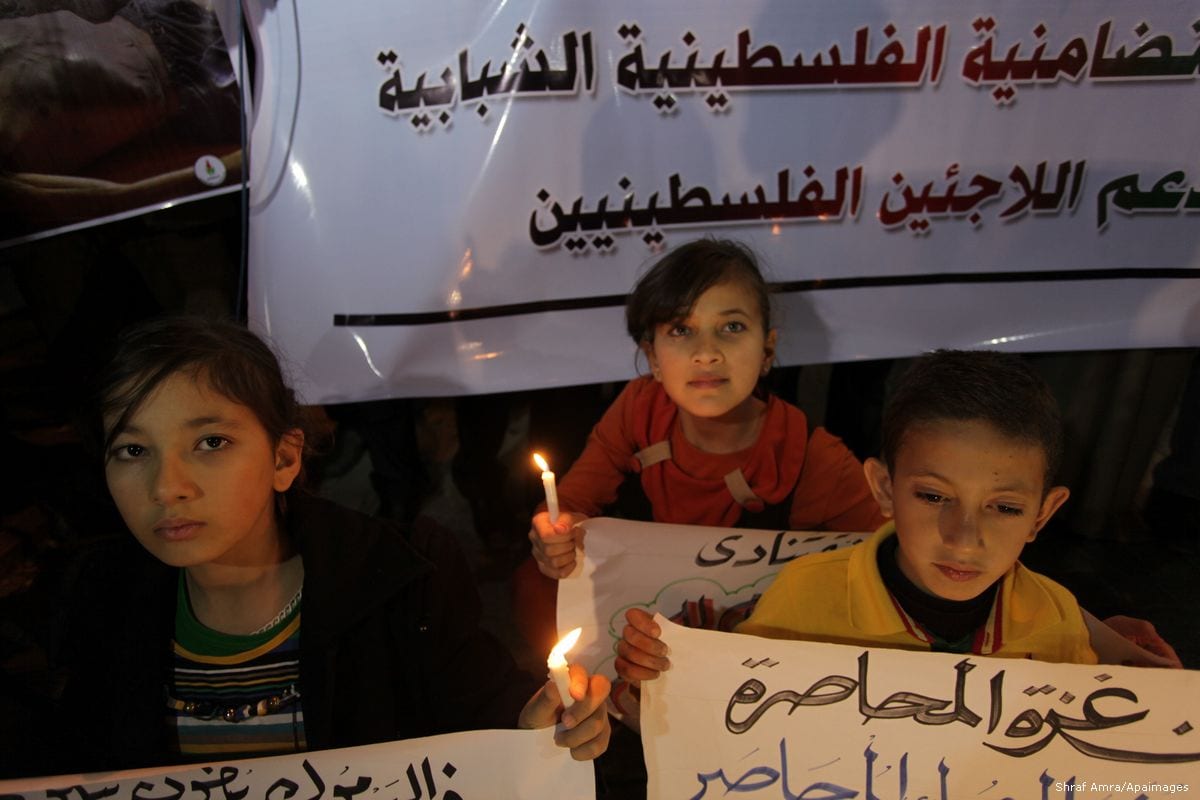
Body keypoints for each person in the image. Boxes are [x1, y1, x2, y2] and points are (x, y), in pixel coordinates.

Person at [37, 316, 609, 776]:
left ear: (285, 459)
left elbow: (488, 725)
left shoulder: (403, 585)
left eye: (211, 442)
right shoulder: (99, 602)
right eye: (133, 451)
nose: (167, 487)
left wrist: (541, 730)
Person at [617, 351, 1183, 683]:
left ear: (1043, 514)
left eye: (1005, 508)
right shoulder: (803, 603)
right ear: (884, 489)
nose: (964, 537)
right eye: (934, 497)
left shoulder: (1058, 624)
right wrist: (662, 682)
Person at [518, 238, 882, 652]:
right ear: (652, 357)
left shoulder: (809, 458)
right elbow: (570, 504)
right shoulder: (638, 413)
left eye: (731, 327)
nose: (706, 353)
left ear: (767, 350)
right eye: (681, 330)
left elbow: (889, 553)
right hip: (644, 633)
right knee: (535, 582)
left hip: (756, 648)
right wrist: (554, 537)